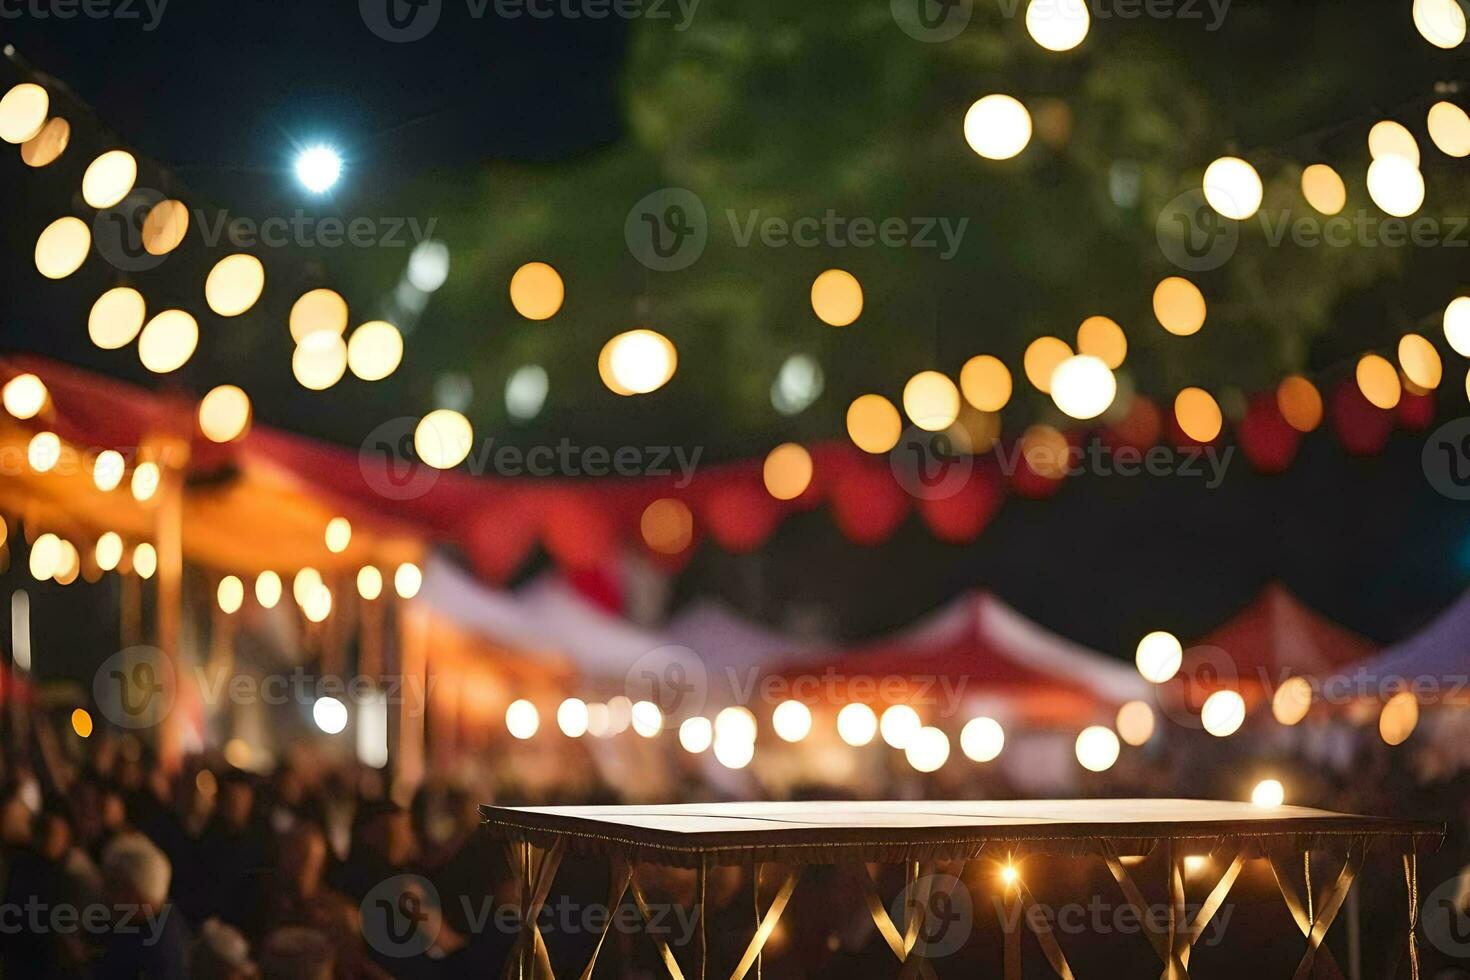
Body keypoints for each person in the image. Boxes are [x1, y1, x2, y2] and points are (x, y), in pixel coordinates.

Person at [95, 832, 190, 979]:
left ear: (135, 893)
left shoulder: (160, 953)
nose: (103, 893)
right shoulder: (136, 919)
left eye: (113, 885)